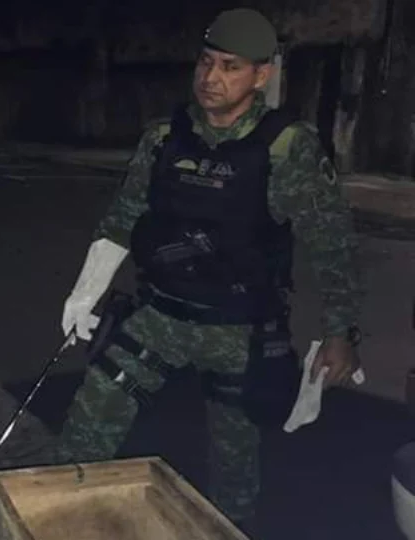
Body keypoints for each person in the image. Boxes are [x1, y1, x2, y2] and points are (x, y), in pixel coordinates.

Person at [56, 7, 363, 527]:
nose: (211, 78)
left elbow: (331, 242)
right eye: (205, 62)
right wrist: (85, 292)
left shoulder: (289, 148)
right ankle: (55, 516)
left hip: (239, 329)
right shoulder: (162, 139)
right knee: (91, 416)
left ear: (260, 75)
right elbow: (121, 220)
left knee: (234, 467)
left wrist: (341, 331)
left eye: (230, 66)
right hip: (161, 316)